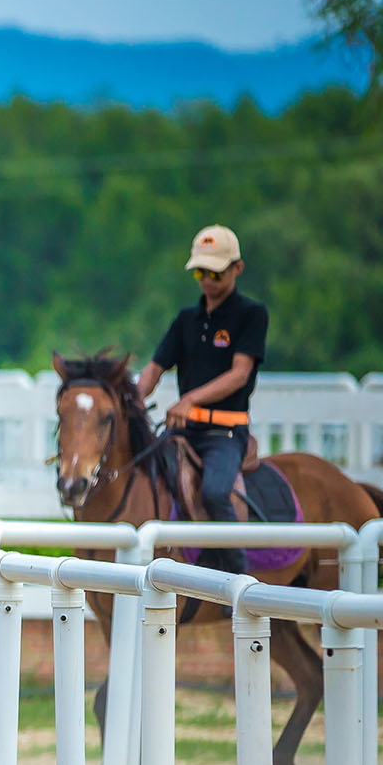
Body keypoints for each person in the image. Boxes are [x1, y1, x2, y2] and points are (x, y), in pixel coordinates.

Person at [136, 224, 269, 574]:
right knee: (142, 473)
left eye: (215, 272)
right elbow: (154, 368)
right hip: (183, 431)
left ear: (237, 268)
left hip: (225, 434)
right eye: (200, 272)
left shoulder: (252, 315)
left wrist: (190, 400)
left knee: (213, 492)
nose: (207, 280)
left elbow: (240, 374)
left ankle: (239, 585)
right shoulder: (186, 320)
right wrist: (131, 398)